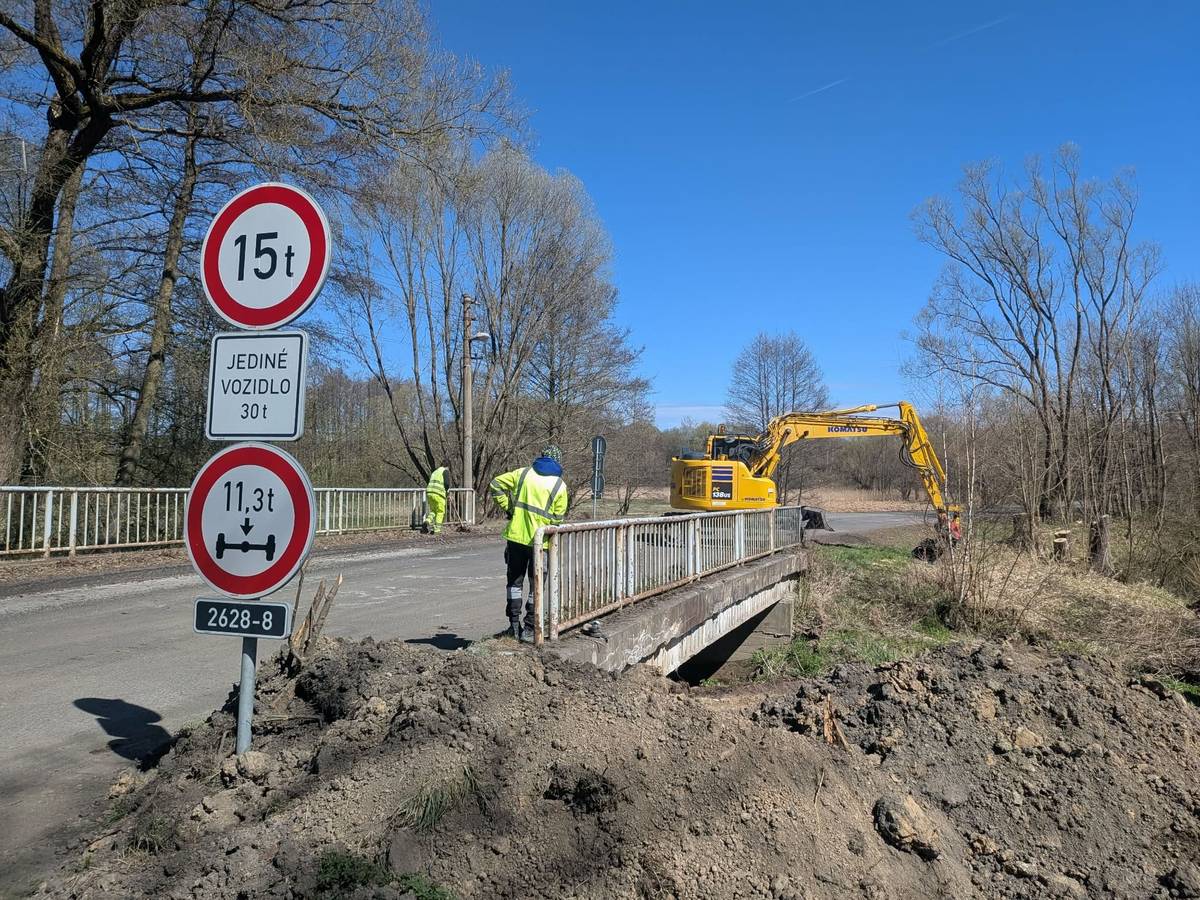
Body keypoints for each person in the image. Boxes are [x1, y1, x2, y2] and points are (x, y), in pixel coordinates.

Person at [489, 445, 568, 642]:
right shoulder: (559, 485)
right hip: (540, 543)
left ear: (542, 457)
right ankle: (530, 628)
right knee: (536, 586)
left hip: (516, 538)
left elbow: (495, 484)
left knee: (514, 583)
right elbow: (558, 519)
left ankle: (514, 626)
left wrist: (509, 508)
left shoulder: (523, 473)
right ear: (558, 461)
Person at [424, 465, 448, 534]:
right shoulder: (445, 471)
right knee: (440, 511)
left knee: (433, 511)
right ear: (447, 467)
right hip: (438, 494)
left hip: (430, 493)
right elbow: (447, 483)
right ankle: (436, 530)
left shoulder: (435, 472)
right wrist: (447, 491)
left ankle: (427, 521)